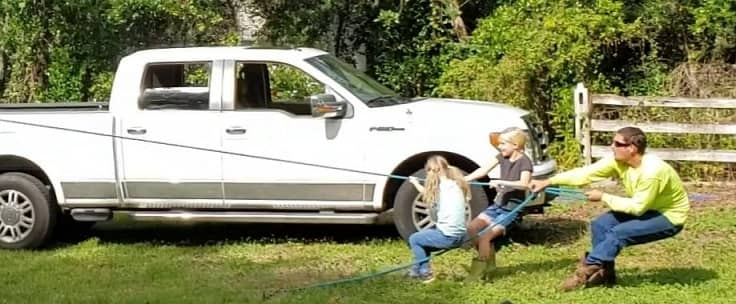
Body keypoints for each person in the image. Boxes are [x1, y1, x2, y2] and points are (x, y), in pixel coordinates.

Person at [529, 126, 690, 291]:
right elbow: (586, 173)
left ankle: (586, 270)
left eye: (617, 144)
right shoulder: (618, 161)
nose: (612, 146)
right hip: (647, 207)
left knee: (619, 233)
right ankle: (606, 276)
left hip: (669, 217)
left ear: (632, 148)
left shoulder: (652, 172)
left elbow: (638, 208)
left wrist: (604, 197)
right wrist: (548, 182)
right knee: (600, 225)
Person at [463, 127, 533, 282]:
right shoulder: (501, 156)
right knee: (472, 228)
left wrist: (501, 181)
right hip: (498, 205)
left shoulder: (525, 162)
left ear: (515, 145)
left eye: (503, 144)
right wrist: (464, 179)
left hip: (511, 210)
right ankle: (489, 263)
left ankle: (478, 273)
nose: (500, 147)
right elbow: (482, 171)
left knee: (484, 237)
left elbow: (523, 184)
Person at [406, 155, 472, 283]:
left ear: (432, 172)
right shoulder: (457, 184)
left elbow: (426, 193)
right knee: (424, 239)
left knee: (414, 239)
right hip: (461, 235)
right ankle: (415, 270)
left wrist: (414, 182)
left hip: (448, 237)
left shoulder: (439, 188)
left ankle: (425, 273)